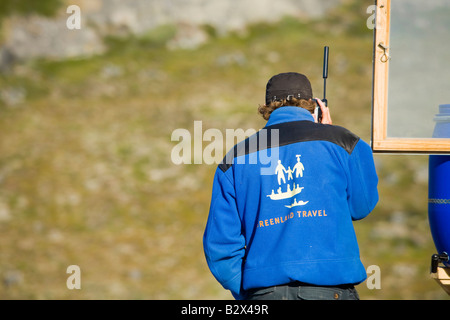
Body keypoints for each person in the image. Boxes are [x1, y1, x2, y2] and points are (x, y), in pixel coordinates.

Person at [203, 72, 379, 300]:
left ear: (266, 109)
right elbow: (361, 207)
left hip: (264, 294)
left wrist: (251, 291)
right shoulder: (345, 143)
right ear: (315, 106)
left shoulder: (235, 159)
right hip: (331, 291)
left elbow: (220, 245)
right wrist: (327, 131)